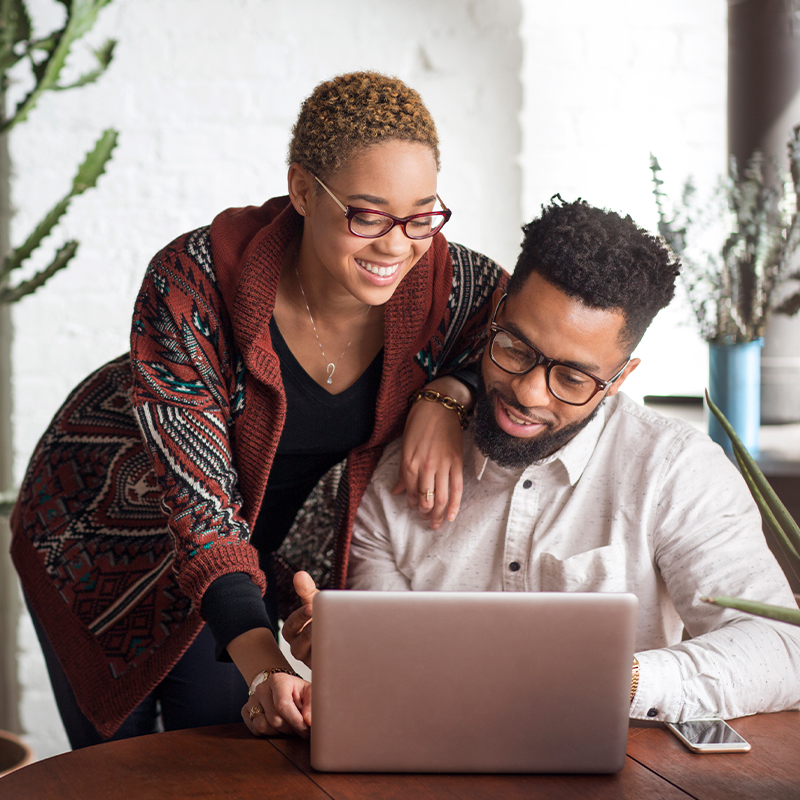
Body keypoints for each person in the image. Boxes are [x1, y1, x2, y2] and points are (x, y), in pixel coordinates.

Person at [10, 71, 506, 747]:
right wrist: (265, 662)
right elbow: (199, 506)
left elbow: (522, 345)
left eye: (421, 215)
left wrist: (447, 393)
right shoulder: (193, 280)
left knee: (222, 757)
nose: (397, 244)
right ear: (303, 189)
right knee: (120, 764)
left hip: (244, 553)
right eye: (367, 214)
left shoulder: (457, 287)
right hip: (99, 531)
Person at [285, 197, 800, 724]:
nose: (528, 393)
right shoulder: (400, 474)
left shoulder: (676, 471)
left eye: (573, 379)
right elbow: (391, 672)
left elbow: (784, 650)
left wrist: (622, 679)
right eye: (514, 348)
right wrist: (350, 651)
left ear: (620, 378)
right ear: (496, 315)